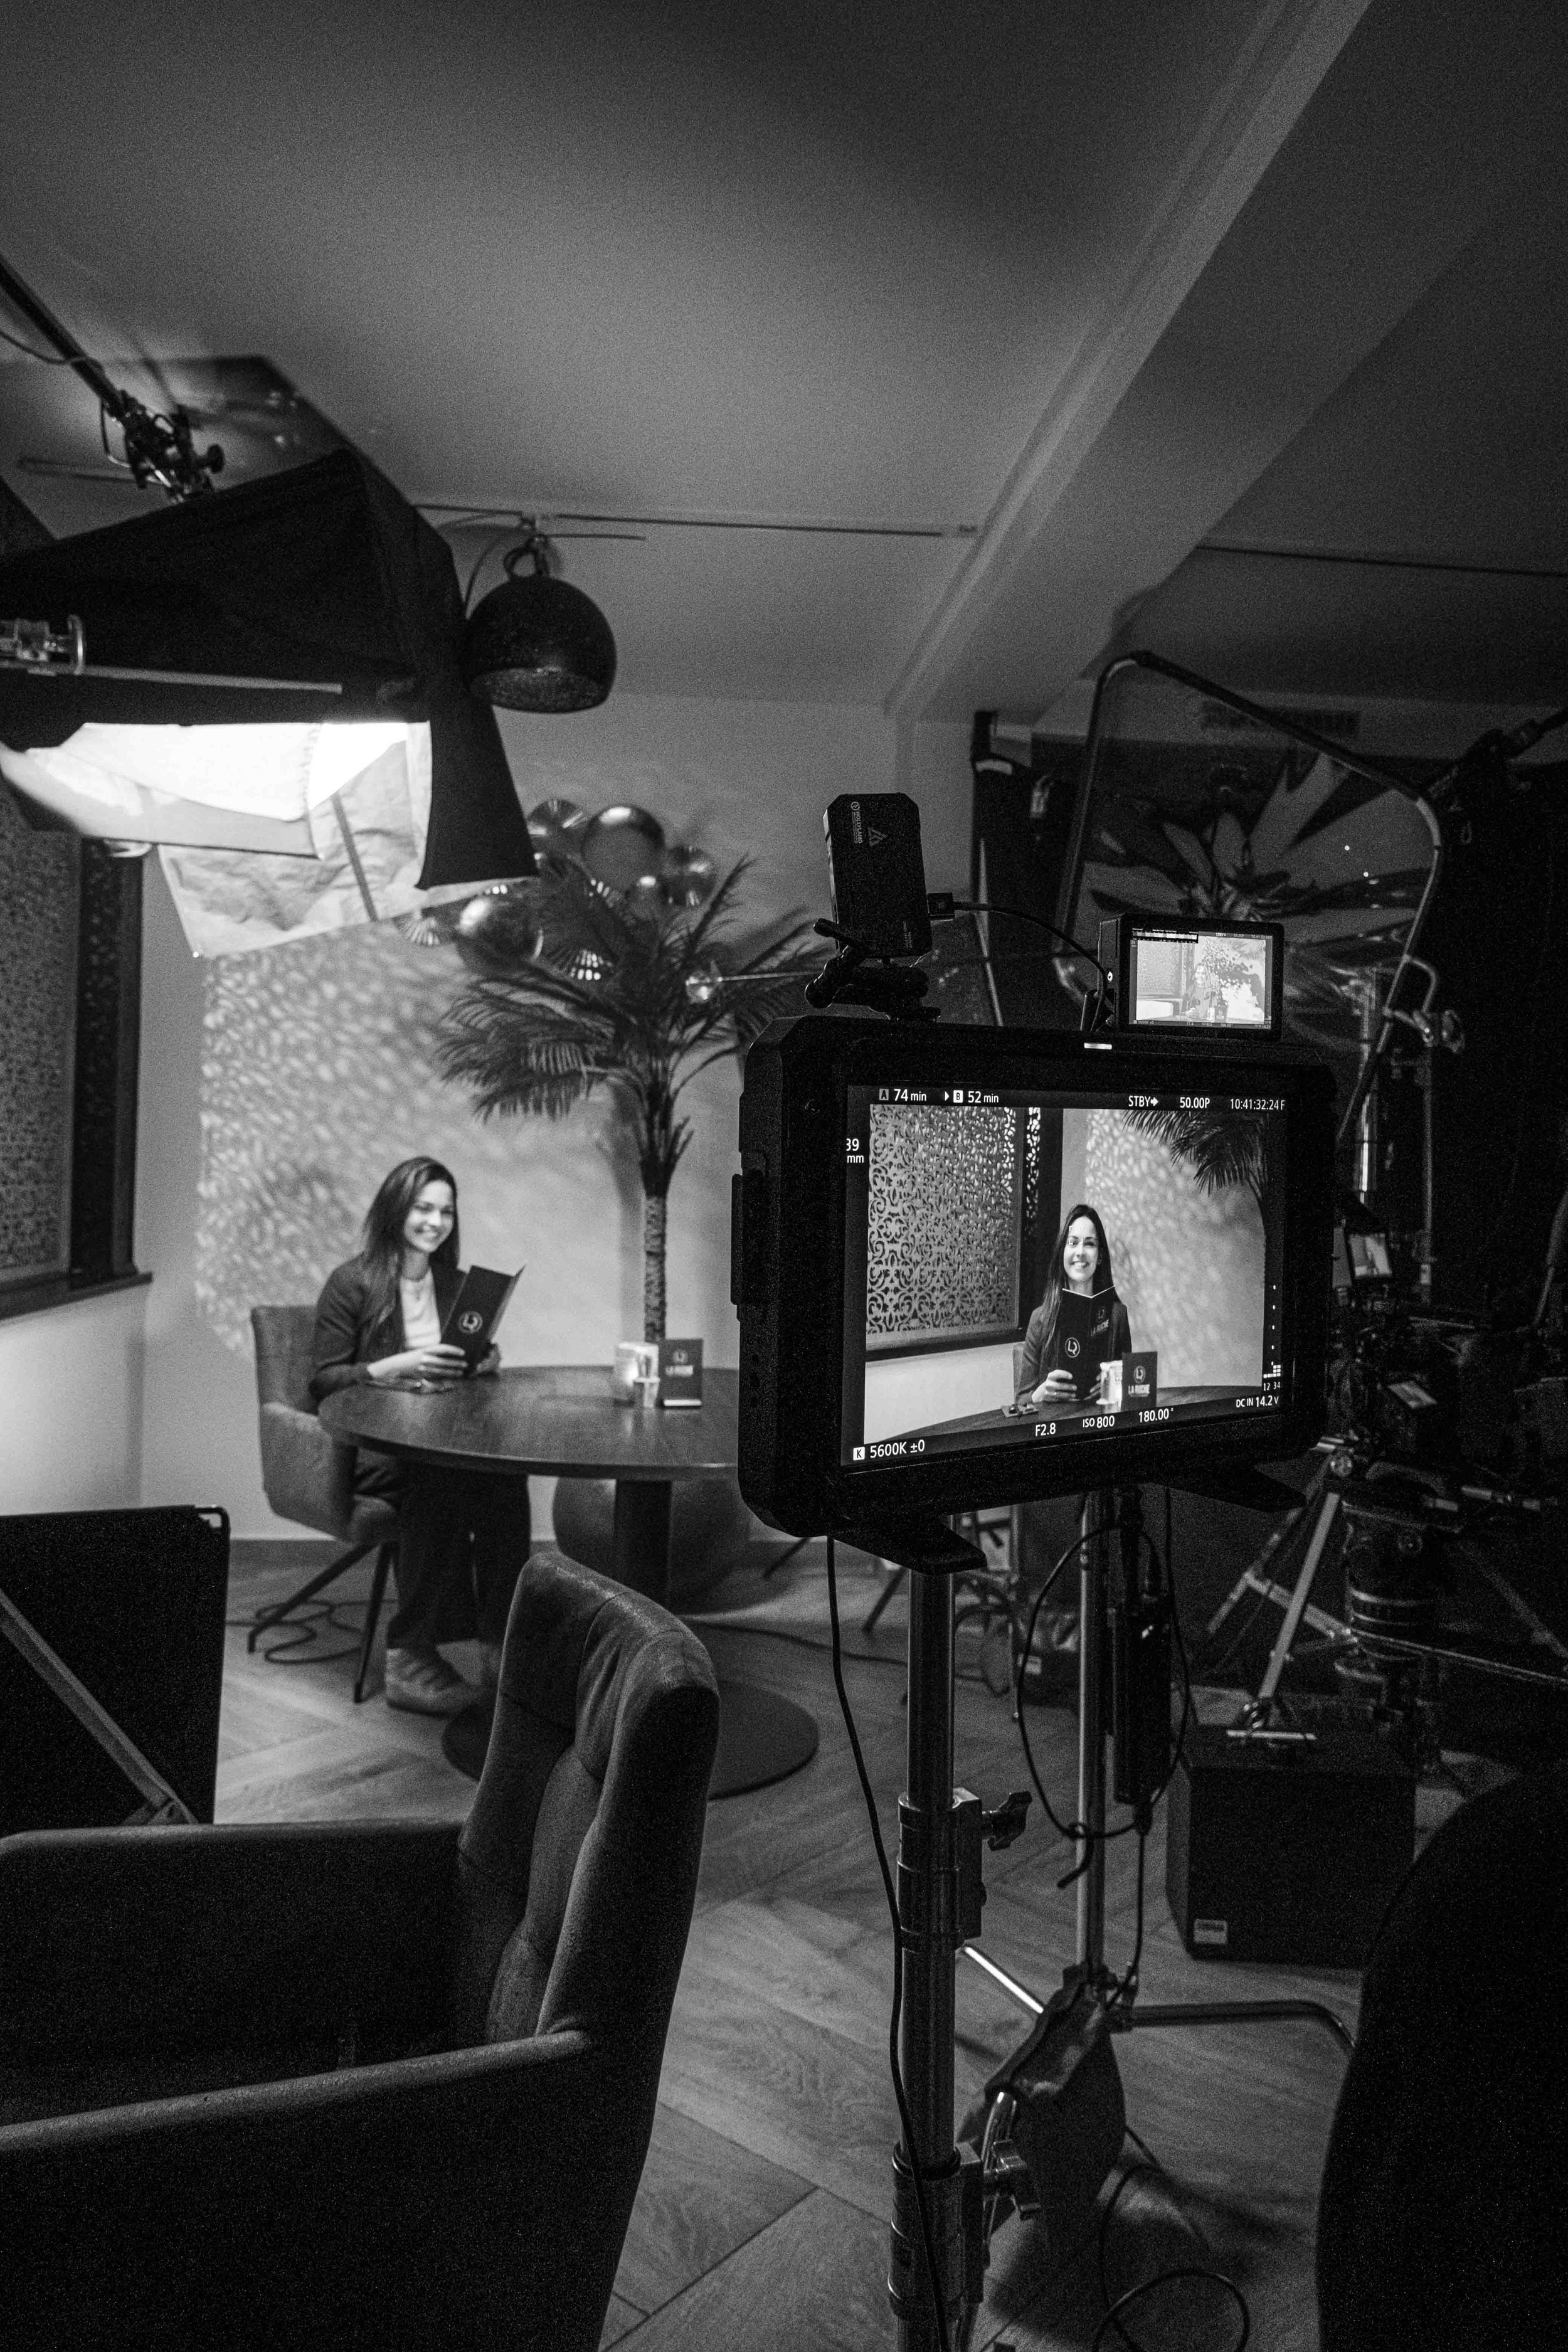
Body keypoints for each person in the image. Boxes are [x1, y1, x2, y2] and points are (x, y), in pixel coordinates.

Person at [310, 1155, 529, 1716]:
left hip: (442, 1437)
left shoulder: (455, 1283)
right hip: (378, 1450)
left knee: (505, 1482)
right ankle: (409, 1655)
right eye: (423, 1208)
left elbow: (463, 1362)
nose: (435, 1221)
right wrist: (401, 1364)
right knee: (440, 1477)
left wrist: (482, 1361)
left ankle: (502, 1645)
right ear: (395, 1210)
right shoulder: (353, 1282)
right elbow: (324, 1380)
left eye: (446, 1211)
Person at [1015, 1202, 1131, 1409]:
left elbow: (1129, 1390)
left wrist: (1114, 1386)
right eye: (1073, 1242)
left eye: (1090, 1244)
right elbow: (1021, 1403)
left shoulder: (1117, 1315)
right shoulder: (1040, 1319)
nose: (1080, 1252)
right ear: (1062, 1254)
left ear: (1100, 1256)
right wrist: (1040, 1394)